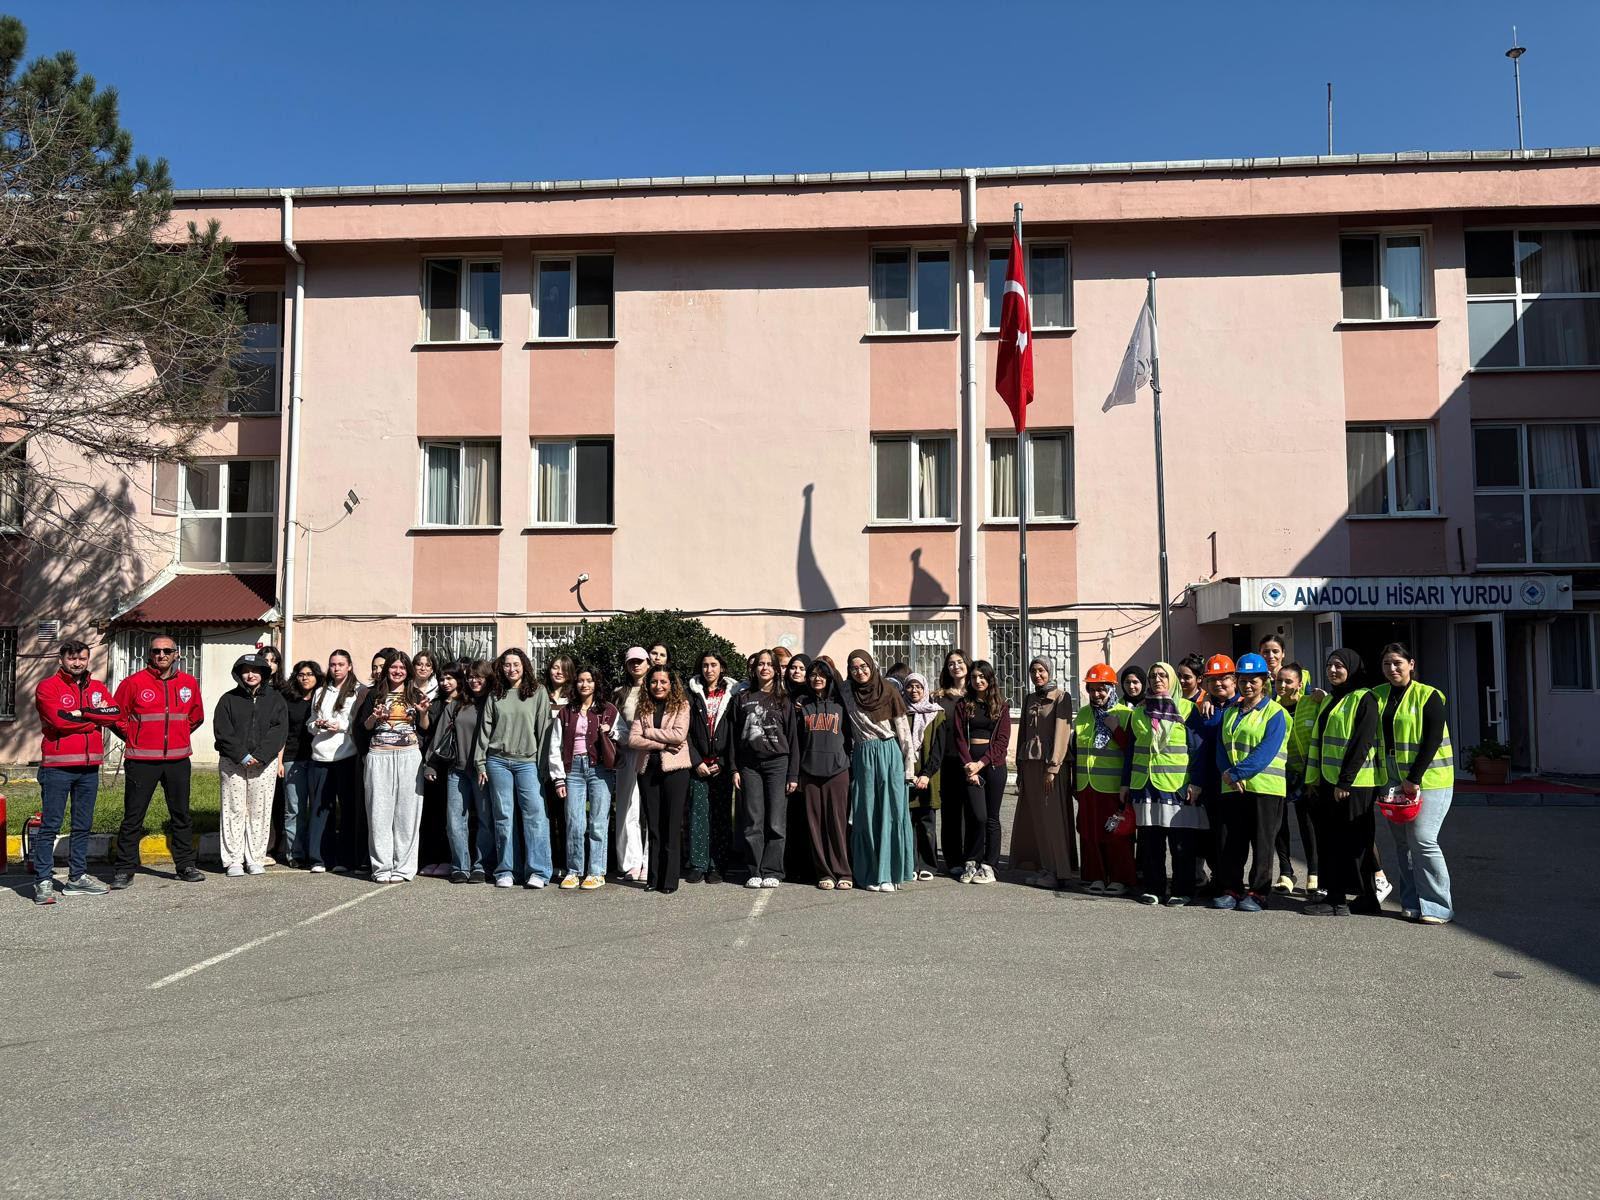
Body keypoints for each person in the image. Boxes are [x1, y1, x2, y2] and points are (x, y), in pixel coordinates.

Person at [110, 635, 206, 888]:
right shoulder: (133, 683)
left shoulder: (188, 683)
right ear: (148, 655)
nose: (161, 655)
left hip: (177, 760)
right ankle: (124, 869)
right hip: (141, 760)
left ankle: (185, 865)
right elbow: (116, 716)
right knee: (133, 816)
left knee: (181, 815)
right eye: (156, 651)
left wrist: (178, 737)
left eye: (167, 651)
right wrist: (134, 737)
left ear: (176, 654)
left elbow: (196, 716)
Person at [32, 639, 120, 903]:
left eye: (82, 658)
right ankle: (43, 881)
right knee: (50, 826)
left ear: (87, 659)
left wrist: (82, 713)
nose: (77, 663)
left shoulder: (97, 687)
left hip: (89, 768)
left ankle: (76, 878)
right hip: (58, 767)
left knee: (82, 826)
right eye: (72, 658)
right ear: (61, 660)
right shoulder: (48, 687)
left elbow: (114, 713)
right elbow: (58, 720)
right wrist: (94, 719)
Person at [1373, 642, 1454, 925]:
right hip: (1392, 778)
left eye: (1397, 663)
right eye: (1386, 664)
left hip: (1430, 778)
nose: (1392, 668)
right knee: (1403, 844)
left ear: (1411, 664)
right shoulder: (1378, 695)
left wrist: (1413, 778)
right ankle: (1411, 902)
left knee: (1423, 840)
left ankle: (1437, 906)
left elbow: (1432, 740)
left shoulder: (1428, 695)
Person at [1303, 648, 1380, 917]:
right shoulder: (1331, 699)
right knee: (1334, 839)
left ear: (1352, 667)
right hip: (1329, 780)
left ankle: (1337, 900)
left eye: (1339, 666)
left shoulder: (1365, 698)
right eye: (1329, 666)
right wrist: (1314, 780)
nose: (1333, 670)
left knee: (1351, 841)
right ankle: (1366, 899)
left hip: (1354, 784)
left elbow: (1362, 742)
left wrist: (1345, 782)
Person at [1210, 652, 1288, 912]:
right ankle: (1231, 888)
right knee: (1232, 841)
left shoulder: (1275, 712)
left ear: (1264, 680)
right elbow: (1221, 745)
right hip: (1233, 786)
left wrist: (1237, 773)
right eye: (1243, 679)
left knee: (1263, 843)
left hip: (1265, 788)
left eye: (1253, 679)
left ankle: (1258, 892)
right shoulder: (1231, 712)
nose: (1248, 684)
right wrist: (1228, 773)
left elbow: (1266, 751)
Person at [1122, 660, 1204, 906]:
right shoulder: (1139, 711)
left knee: (1181, 844)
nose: (1157, 680)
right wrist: (1125, 783)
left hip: (1177, 785)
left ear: (1172, 681)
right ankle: (1154, 887)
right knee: (1150, 842)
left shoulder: (1188, 709)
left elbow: (1198, 749)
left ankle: (1183, 889)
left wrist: (1196, 782)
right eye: (1153, 675)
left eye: (1162, 675)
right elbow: (1131, 750)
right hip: (1145, 785)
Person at [477, 648, 555, 889]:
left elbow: (544, 730)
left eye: (516, 664)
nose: (511, 669)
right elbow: (485, 730)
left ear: (524, 666)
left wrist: (543, 767)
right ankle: (506, 870)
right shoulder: (495, 694)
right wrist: (480, 762)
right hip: (497, 761)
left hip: (528, 763)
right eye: (507, 665)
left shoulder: (538, 692)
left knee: (535, 817)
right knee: (503, 817)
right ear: (501, 668)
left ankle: (539, 871)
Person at [842, 649, 916, 892]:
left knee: (891, 813)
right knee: (866, 814)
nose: (860, 671)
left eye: (863, 666)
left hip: (888, 753)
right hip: (863, 755)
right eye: (854, 668)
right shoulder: (845, 691)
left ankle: (890, 873)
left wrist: (909, 767)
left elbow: (903, 730)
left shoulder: (888, 690)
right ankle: (871, 873)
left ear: (872, 666)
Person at [214, 653, 290, 878]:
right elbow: (222, 731)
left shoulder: (276, 699)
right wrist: (242, 756)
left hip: (264, 764)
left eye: (256, 670)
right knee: (234, 810)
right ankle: (233, 860)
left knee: (260, 811)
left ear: (264, 674)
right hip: (233, 762)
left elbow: (279, 730)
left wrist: (261, 756)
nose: (251, 674)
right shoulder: (227, 699)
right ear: (239, 673)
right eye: (246, 670)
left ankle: (255, 858)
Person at [361, 649, 430, 883]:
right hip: (379, 756)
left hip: (409, 756)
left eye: (402, 668)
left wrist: (422, 714)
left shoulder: (415, 694)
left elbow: (424, 728)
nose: (397, 671)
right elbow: (364, 727)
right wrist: (375, 717)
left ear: (407, 671)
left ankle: (404, 867)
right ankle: (382, 867)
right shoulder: (374, 694)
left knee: (407, 814)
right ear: (386, 670)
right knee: (379, 813)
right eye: (393, 667)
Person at [732, 649, 799, 889]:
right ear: (754, 668)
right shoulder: (742, 698)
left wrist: (793, 773)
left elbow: (793, 738)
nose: (764, 668)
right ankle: (755, 870)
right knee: (753, 821)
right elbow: (733, 737)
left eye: (769, 664)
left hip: (777, 764)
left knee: (776, 822)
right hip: (749, 766)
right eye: (760, 664)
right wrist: (734, 769)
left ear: (776, 669)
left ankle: (772, 870)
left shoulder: (784, 700)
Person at [549, 664, 619, 890]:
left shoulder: (608, 709)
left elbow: (623, 735)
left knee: (598, 822)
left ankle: (596, 872)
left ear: (596, 683)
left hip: (600, 769)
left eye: (589, 680)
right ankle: (573, 871)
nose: (584, 684)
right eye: (580, 680)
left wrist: (611, 731)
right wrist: (558, 777)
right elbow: (554, 745)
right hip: (574, 770)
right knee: (574, 823)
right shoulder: (566, 711)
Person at [1069, 663, 1134, 895]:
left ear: (1111, 689)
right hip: (1087, 786)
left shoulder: (1125, 714)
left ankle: (1119, 878)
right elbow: (1078, 750)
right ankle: (1095, 876)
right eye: (1092, 689)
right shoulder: (1084, 714)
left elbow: (1132, 751)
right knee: (1089, 834)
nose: (1096, 694)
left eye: (1101, 689)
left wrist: (1116, 729)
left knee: (1116, 833)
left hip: (1113, 787)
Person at [629, 665, 692, 893]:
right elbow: (633, 739)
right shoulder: (643, 706)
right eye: (654, 682)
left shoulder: (682, 705)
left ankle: (669, 880)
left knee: (672, 824)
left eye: (663, 682)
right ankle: (653, 878)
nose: (659, 686)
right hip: (648, 770)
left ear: (671, 684)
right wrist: (663, 744)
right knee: (653, 825)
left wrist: (649, 733)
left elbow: (679, 735)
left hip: (675, 770)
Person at [1013, 658, 1074, 890]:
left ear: (1049, 671)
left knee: (1053, 819)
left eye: (1041, 670)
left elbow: (1063, 732)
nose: (1037, 675)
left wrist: (1054, 766)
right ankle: (1045, 867)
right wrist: (1020, 768)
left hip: (1050, 766)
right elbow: (1023, 735)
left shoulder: (1061, 697)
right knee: (1037, 817)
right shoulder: (1029, 698)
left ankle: (1059, 870)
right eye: (1033, 671)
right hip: (1030, 763)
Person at [423, 663, 486, 883]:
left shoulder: (491, 703)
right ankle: (460, 866)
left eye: (479, 677)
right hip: (456, 771)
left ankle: (481, 865)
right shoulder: (457, 705)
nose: (474, 681)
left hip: (483, 771)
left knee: (485, 820)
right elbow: (440, 735)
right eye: (470, 677)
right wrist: (430, 763)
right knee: (455, 821)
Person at [951, 659, 1012, 885]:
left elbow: (1002, 742)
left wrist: (982, 763)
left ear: (989, 678)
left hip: (994, 766)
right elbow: (959, 738)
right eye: (974, 677)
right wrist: (970, 766)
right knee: (977, 816)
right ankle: (971, 861)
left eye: (981, 676)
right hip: (969, 767)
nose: (977, 681)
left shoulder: (1002, 706)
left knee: (992, 818)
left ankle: (989, 865)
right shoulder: (962, 704)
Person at [795, 657, 855, 889]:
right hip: (810, 772)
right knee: (815, 825)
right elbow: (798, 741)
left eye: (822, 674)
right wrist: (797, 773)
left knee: (837, 824)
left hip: (838, 771)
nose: (817, 678)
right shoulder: (803, 705)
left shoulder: (841, 705)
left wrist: (847, 761)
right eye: (813, 675)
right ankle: (825, 873)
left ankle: (844, 872)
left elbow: (850, 738)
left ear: (829, 677)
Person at [307, 649, 365, 874]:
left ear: (349, 666)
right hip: (320, 756)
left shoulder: (357, 691)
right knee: (321, 810)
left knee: (348, 810)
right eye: (333, 664)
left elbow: (357, 725)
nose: (337, 668)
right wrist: (317, 725)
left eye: (341, 664)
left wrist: (339, 726)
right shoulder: (321, 691)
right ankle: (319, 858)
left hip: (346, 756)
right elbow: (310, 723)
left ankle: (345, 858)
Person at [686, 650, 740, 884]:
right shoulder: (691, 694)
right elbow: (685, 732)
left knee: (720, 816)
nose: (709, 669)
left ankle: (717, 864)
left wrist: (724, 762)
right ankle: (698, 863)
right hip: (698, 765)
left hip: (721, 765)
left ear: (722, 668)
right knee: (698, 814)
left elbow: (736, 732)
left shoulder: (733, 694)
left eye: (714, 665)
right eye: (705, 665)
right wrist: (696, 761)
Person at [1186, 654, 1237, 895]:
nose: (1218, 684)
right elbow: (1199, 750)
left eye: (1223, 679)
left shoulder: (1245, 706)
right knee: (1212, 837)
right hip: (1211, 785)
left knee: (1234, 839)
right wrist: (1196, 782)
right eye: (1212, 680)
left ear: (1234, 680)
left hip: (1239, 786)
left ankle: (1234, 884)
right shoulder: (1204, 710)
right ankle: (1219, 881)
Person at [1273, 662, 1320, 896]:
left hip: (1307, 774)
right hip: (1280, 773)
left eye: (1288, 681)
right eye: (1279, 681)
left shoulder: (1313, 704)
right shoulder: (1272, 707)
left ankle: (1314, 872)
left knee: (1307, 822)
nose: (1282, 685)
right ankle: (1285, 871)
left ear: (1300, 684)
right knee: (1278, 823)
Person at [278, 660, 322, 868]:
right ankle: (294, 853)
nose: (305, 678)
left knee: (316, 809)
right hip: (293, 758)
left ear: (317, 676)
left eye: (310, 674)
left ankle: (316, 852)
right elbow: (282, 733)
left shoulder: (323, 698)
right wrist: (280, 761)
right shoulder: (288, 700)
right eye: (301, 674)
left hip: (318, 759)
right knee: (294, 809)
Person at [612, 647, 651, 881]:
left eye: (640, 661)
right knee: (628, 809)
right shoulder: (620, 693)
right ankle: (631, 862)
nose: (636, 665)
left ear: (648, 663)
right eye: (631, 662)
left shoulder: (657, 687)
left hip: (652, 756)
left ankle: (649, 861)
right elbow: (617, 726)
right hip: (628, 757)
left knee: (650, 810)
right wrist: (628, 739)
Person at [412, 650, 450, 876]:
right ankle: (424, 857)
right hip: (409, 753)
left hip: (436, 756)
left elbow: (430, 727)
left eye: (427, 664)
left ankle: (443, 857)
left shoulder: (440, 692)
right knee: (421, 810)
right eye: (419, 664)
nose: (423, 668)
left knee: (440, 808)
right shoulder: (406, 690)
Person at [903, 672, 944, 880]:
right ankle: (910, 863)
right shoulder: (901, 713)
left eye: (918, 686)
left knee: (927, 821)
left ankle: (928, 864)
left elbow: (939, 748)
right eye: (910, 686)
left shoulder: (936, 714)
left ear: (925, 688)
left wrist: (926, 774)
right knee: (908, 822)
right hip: (907, 776)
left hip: (929, 775)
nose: (914, 690)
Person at [935, 648, 971, 876]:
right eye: (951, 663)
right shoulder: (939, 697)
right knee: (950, 812)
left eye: (959, 662)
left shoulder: (976, 694)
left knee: (973, 811)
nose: (955, 666)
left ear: (967, 664)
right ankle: (953, 859)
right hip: (947, 760)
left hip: (972, 761)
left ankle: (972, 856)